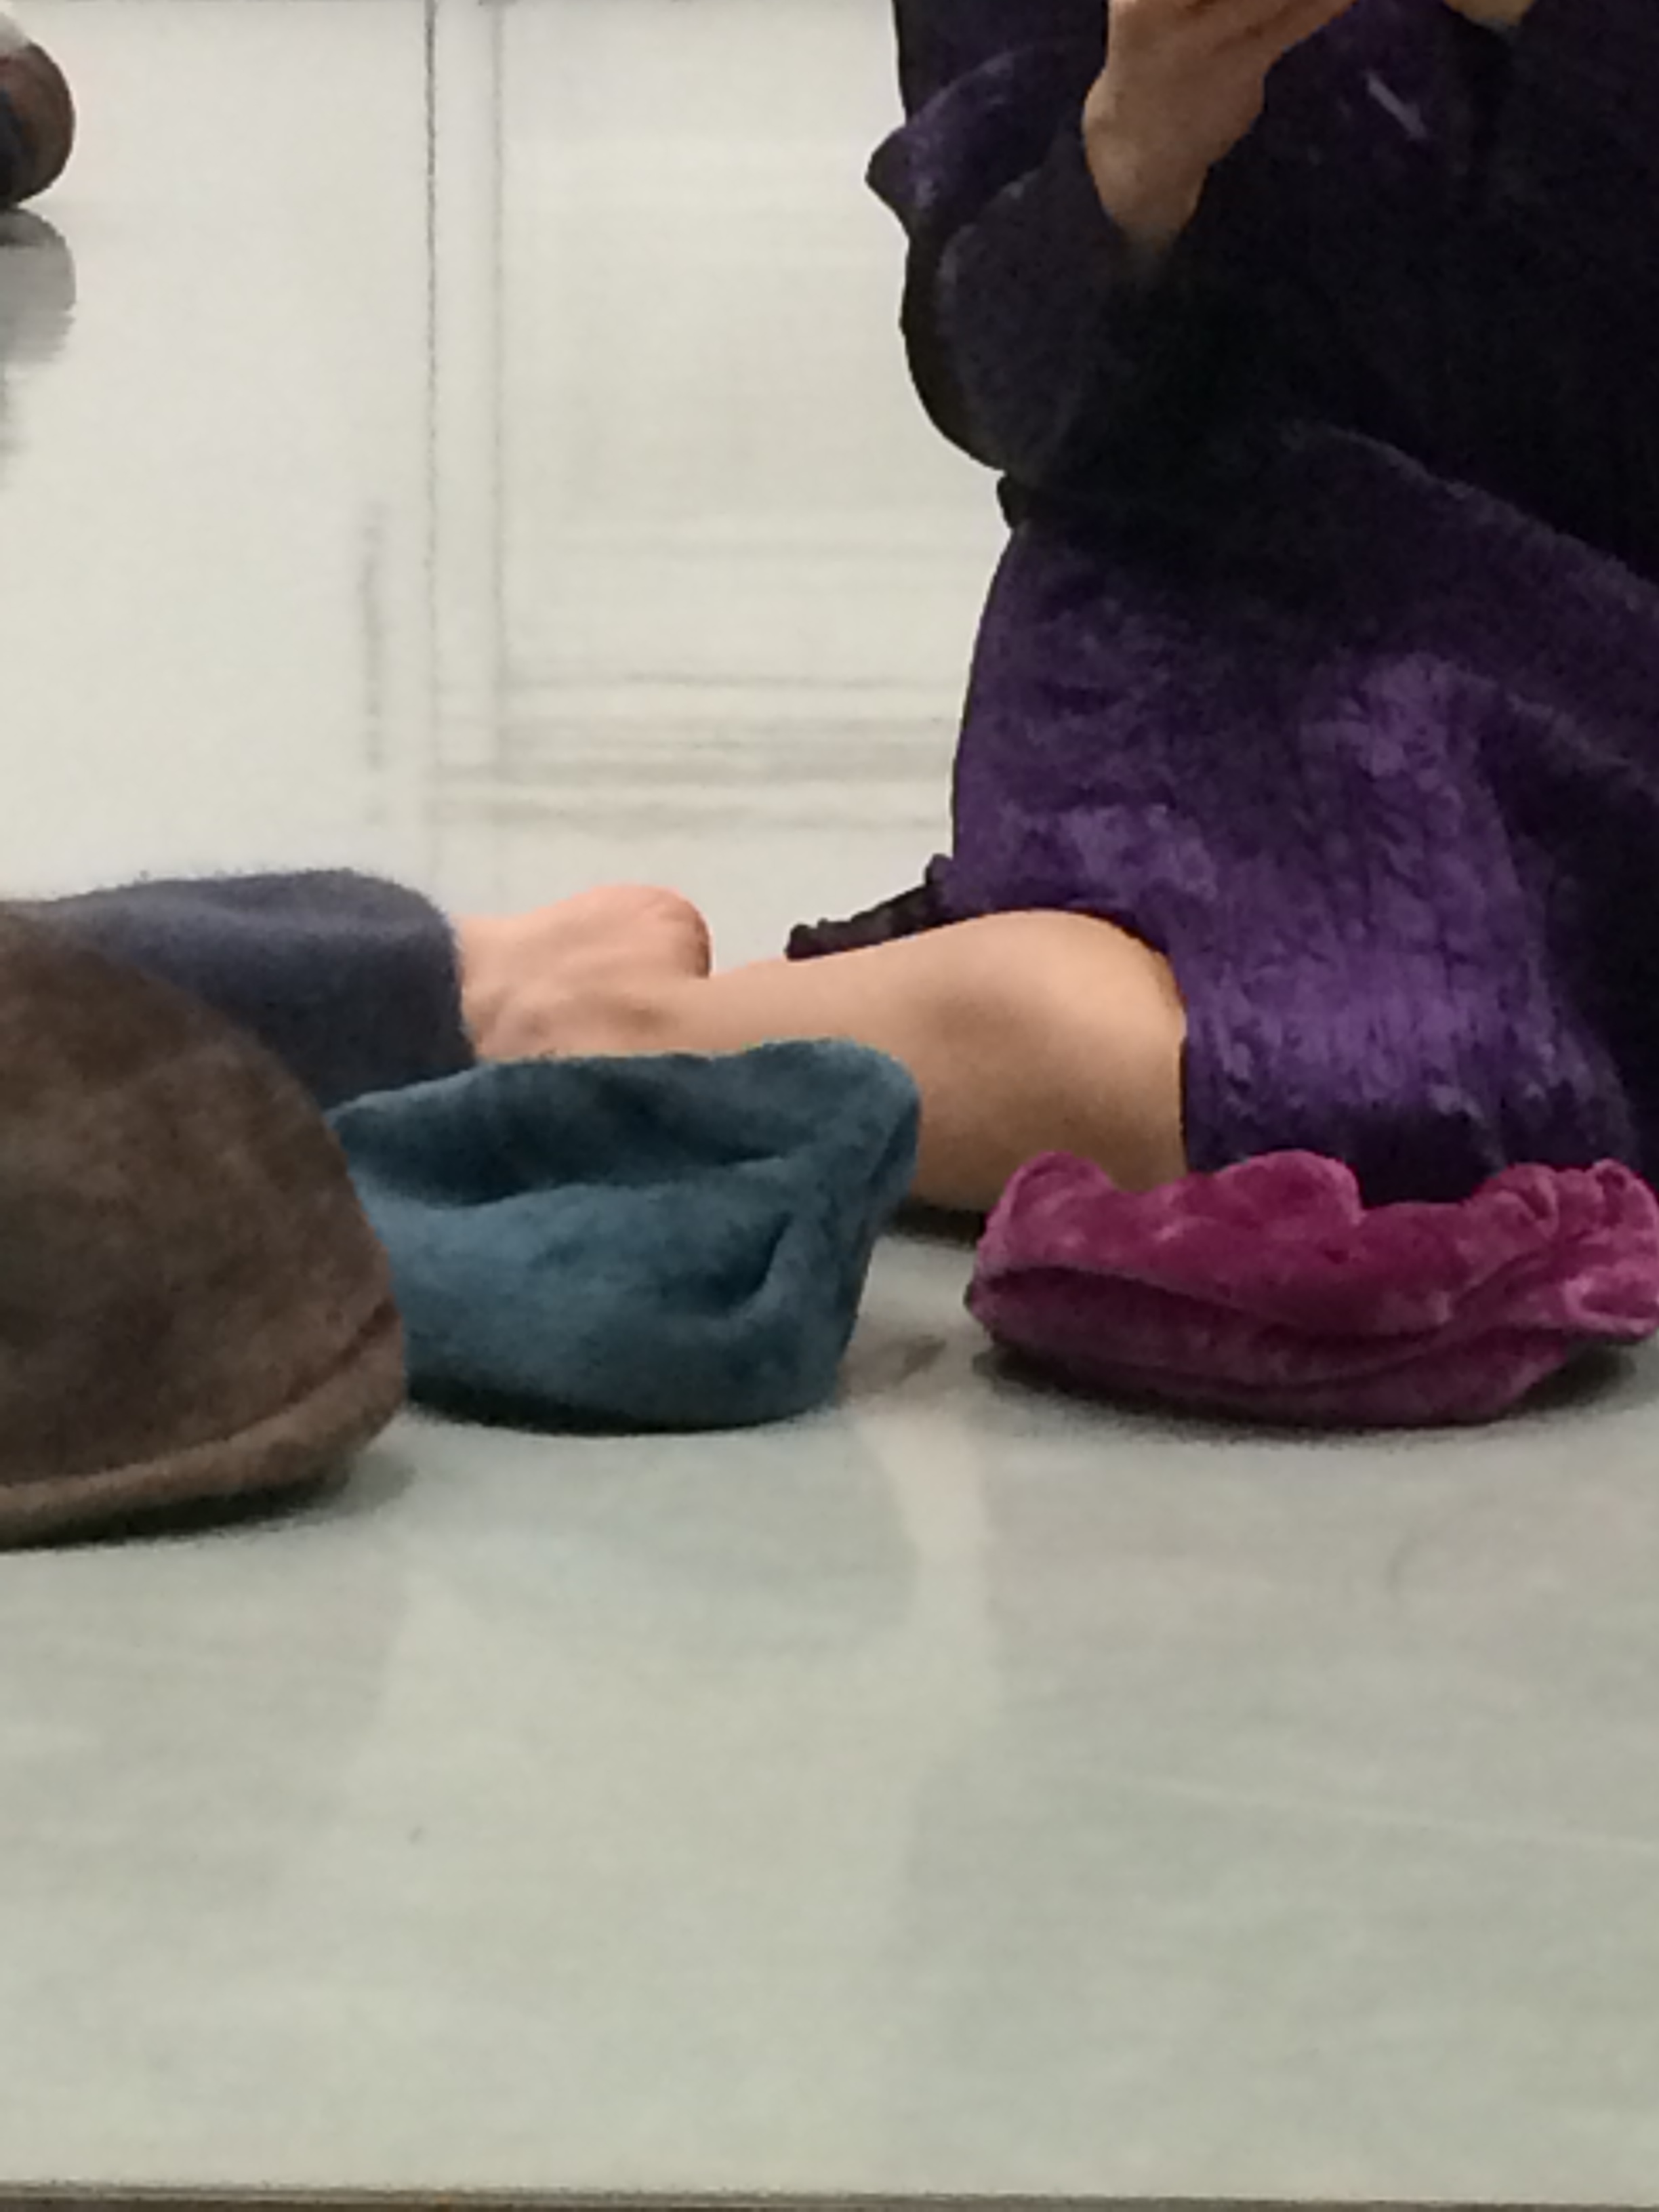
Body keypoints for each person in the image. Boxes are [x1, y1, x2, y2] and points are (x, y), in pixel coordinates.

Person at [455, 0, 1659, 1222]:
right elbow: (1011, 394)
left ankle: (903, 1003)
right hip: (1239, 622)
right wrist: (1132, 152)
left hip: (1614, 643)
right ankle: (633, 1031)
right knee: (1382, 1083)